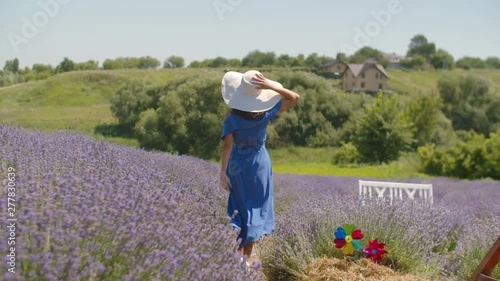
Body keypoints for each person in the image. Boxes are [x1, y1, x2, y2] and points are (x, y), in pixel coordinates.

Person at [220, 70, 300, 259]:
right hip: (260, 165)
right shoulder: (266, 114)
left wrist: (223, 172)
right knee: (256, 207)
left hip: (237, 164)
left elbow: (227, 145)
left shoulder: (231, 119)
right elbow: (293, 97)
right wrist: (271, 86)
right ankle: (247, 258)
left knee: (239, 205)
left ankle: (236, 255)